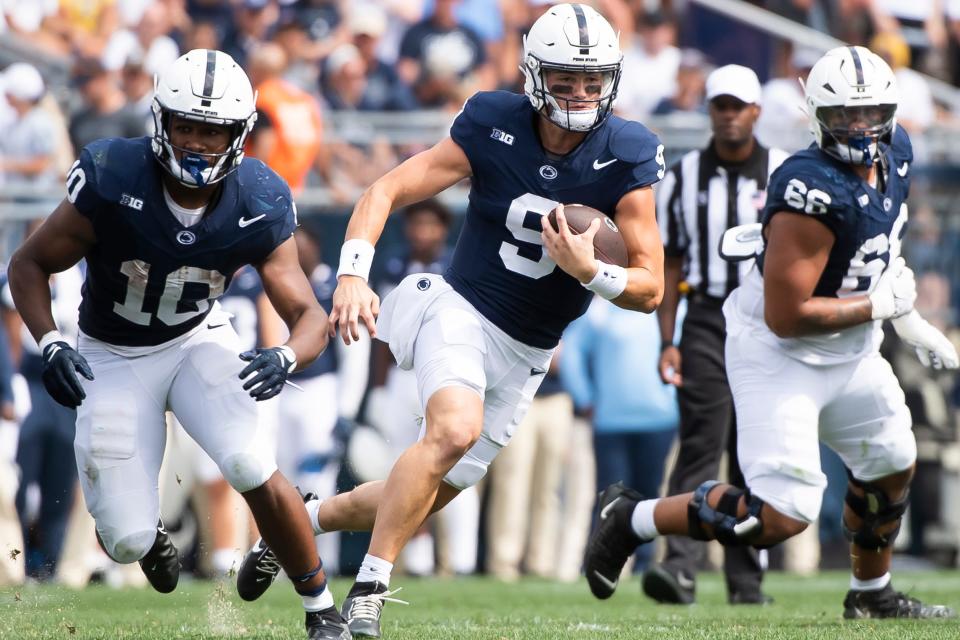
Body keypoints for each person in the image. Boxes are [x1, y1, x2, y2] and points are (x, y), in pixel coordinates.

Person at [238, 5, 665, 637]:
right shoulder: (494, 121)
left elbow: (650, 287)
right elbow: (383, 191)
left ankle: (303, 520)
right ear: (534, 74)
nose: (579, 93)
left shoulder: (626, 151)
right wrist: (353, 272)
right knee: (452, 431)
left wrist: (590, 271)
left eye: (592, 80)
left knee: (423, 490)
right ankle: (370, 594)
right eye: (566, 79)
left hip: (529, 351)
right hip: (459, 309)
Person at [583, 46, 959, 619]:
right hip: (779, 353)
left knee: (891, 463)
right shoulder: (807, 187)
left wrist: (904, 314)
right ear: (815, 117)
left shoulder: (898, 152)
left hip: (850, 349)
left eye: (870, 113)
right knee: (775, 517)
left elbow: (880, 245)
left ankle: (871, 594)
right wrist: (878, 305)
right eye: (844, 116)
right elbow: (789, 316)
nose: (860, 128)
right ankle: (630, 517)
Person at [7, 49, 349, 640]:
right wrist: (53, 342)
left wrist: (287, 353)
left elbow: (307, 314)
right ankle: (151, 531)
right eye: (186, 125)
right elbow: (29, 263)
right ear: (161, 122)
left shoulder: (258, 197)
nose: (197, 142)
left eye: (213, 131)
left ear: (237, 134)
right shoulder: (113, 174)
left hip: (196, 340)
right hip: (111, 354)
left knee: (248, 462)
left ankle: (323, 611)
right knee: (124, 541)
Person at [647, 64, 788, 606]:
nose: (729, 116)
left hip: (764, 320)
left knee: (754, 451)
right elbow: (672, 260)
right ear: (710, 111)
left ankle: (746, 580)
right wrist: (669, 338)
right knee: (701, 442)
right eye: (720, 106)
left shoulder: (781, 172)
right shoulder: (682, 179)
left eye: (738, 106)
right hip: (706, 318)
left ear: (755, 111)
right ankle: (680, 568)